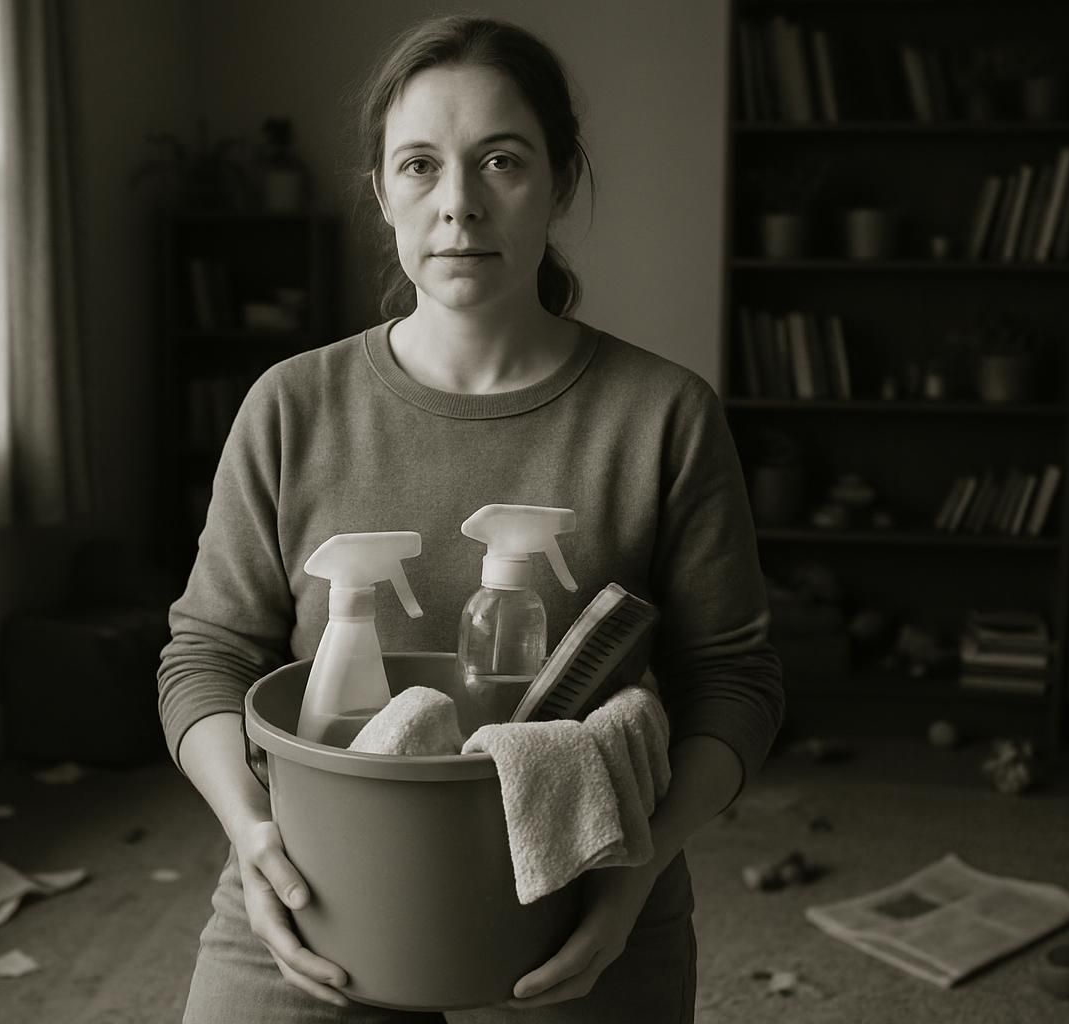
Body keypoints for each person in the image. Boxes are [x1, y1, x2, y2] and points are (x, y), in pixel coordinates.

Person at [158, 14, 784, 1023]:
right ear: (381, 194)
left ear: (559, 182)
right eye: (418, 166)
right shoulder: (290, 404)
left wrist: (632, 884)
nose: (458, 204)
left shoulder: (664, 414)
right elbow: (205, 655)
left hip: (581, 885)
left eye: (501, 160)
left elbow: (736, 682)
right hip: (316, 881)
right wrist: (252, 836)